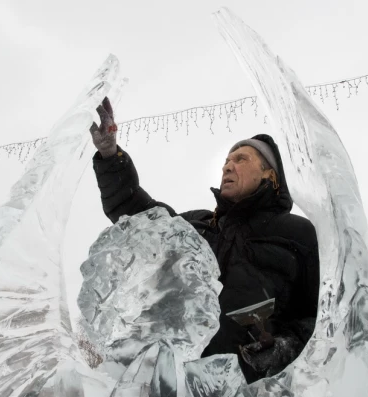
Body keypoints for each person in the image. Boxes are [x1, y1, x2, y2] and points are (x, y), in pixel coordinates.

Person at [90, 97, 320, 382]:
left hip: (252, 394)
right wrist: (111, 157)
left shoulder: (298, 234)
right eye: (226, 161)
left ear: (269, 175)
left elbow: (326, 318)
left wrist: (286, 348)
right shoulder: (196, 225)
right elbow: (136, 213)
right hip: (179, 387)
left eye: (241, 160)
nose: (227, 167)